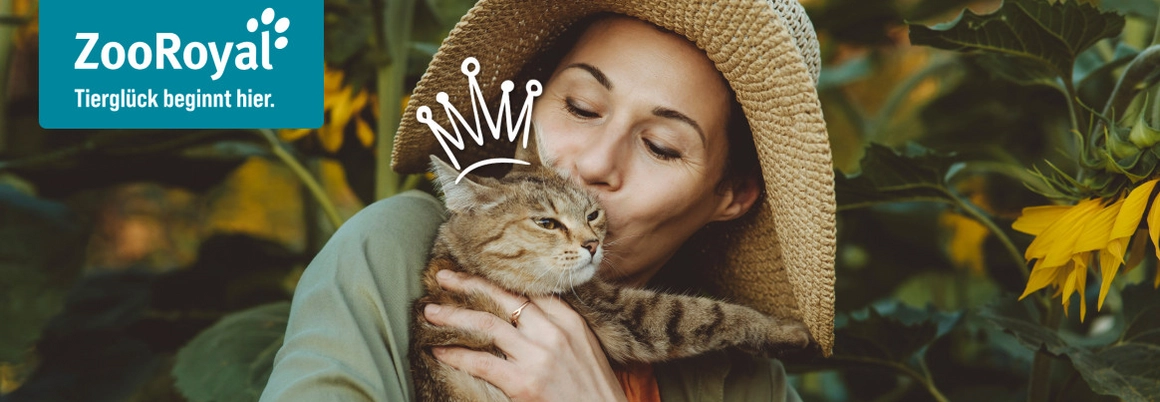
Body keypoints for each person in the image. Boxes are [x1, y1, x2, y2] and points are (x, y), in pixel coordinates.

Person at [260, 0, 837, 401]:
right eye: (581, 108)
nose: (594, 164)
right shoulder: (395, 249)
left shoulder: (747, 384)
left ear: (730, 196)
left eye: (660, 146)